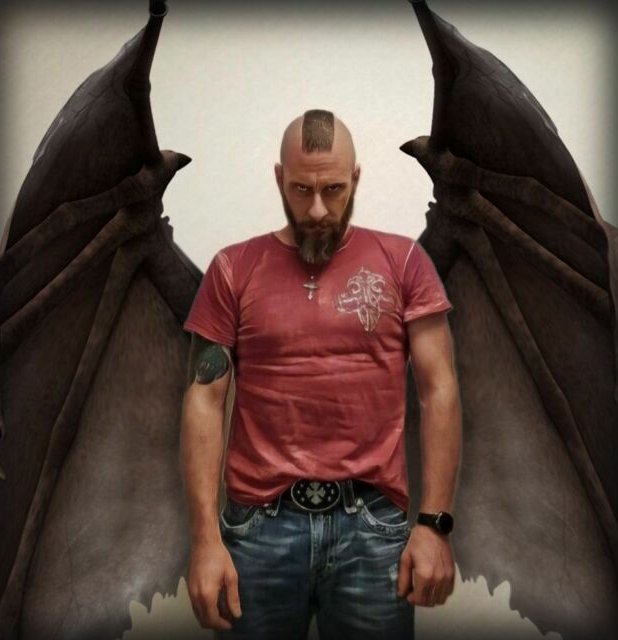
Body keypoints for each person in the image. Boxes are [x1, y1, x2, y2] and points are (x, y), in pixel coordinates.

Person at [180, 109, 462, 640]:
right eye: (301, 189)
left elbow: (438, 390)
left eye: (333, 189)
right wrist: (203, 539)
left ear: (355, 178)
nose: (316, 209)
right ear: (279, 179)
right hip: (258, 528)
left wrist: (434, 525)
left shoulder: (404, 262)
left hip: (372, 527)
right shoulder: (233, 269)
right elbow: (205, 400)